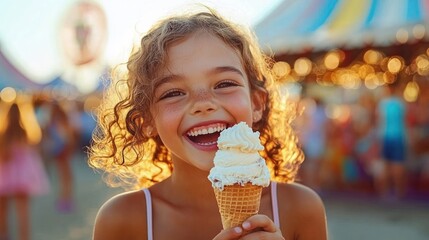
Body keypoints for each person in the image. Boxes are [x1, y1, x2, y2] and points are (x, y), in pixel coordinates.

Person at [88, 7, 327, 240]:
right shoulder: (122, 220)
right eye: (173, 93)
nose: (203, 104)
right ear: (146, 120)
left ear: (256, 104)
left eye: (224, 84)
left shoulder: (301, 209)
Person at [0, 102, 50, 240]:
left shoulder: (4, 133)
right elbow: (34, 151)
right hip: (24, 176)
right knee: (23, 212)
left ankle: (4, 235)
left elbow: (3, 155)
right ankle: (24, 237)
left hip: (5, 176)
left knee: (3, 210)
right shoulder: (27, 132)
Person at [376, 82, 408, 199]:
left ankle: (384, 194)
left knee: (386, 165)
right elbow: (406, 122)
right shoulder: (401, 103)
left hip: (386, 137)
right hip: (399, 137)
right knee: (398, 165)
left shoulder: (383, 104)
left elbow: (380, 121)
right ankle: (399, 193)